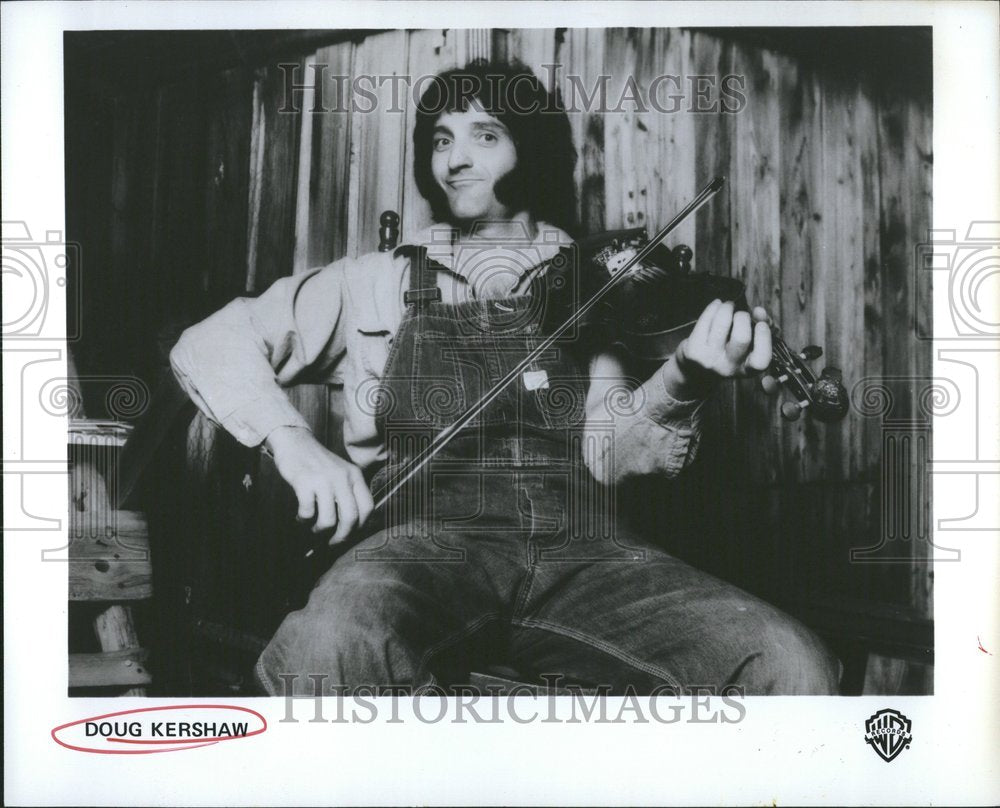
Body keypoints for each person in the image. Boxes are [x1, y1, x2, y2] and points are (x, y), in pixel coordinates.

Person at [171, 60, 840, 696]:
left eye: (483, 135)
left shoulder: (593, 280)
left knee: (786, 662)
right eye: (441, 139)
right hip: (417, 547)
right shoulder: (378, 281)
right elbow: (208, 342)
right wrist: (292, 442)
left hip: (587, 555)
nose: (454, 157)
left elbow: (607, 459)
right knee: (329, 647)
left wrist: (685, 375)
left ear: (533, 149)